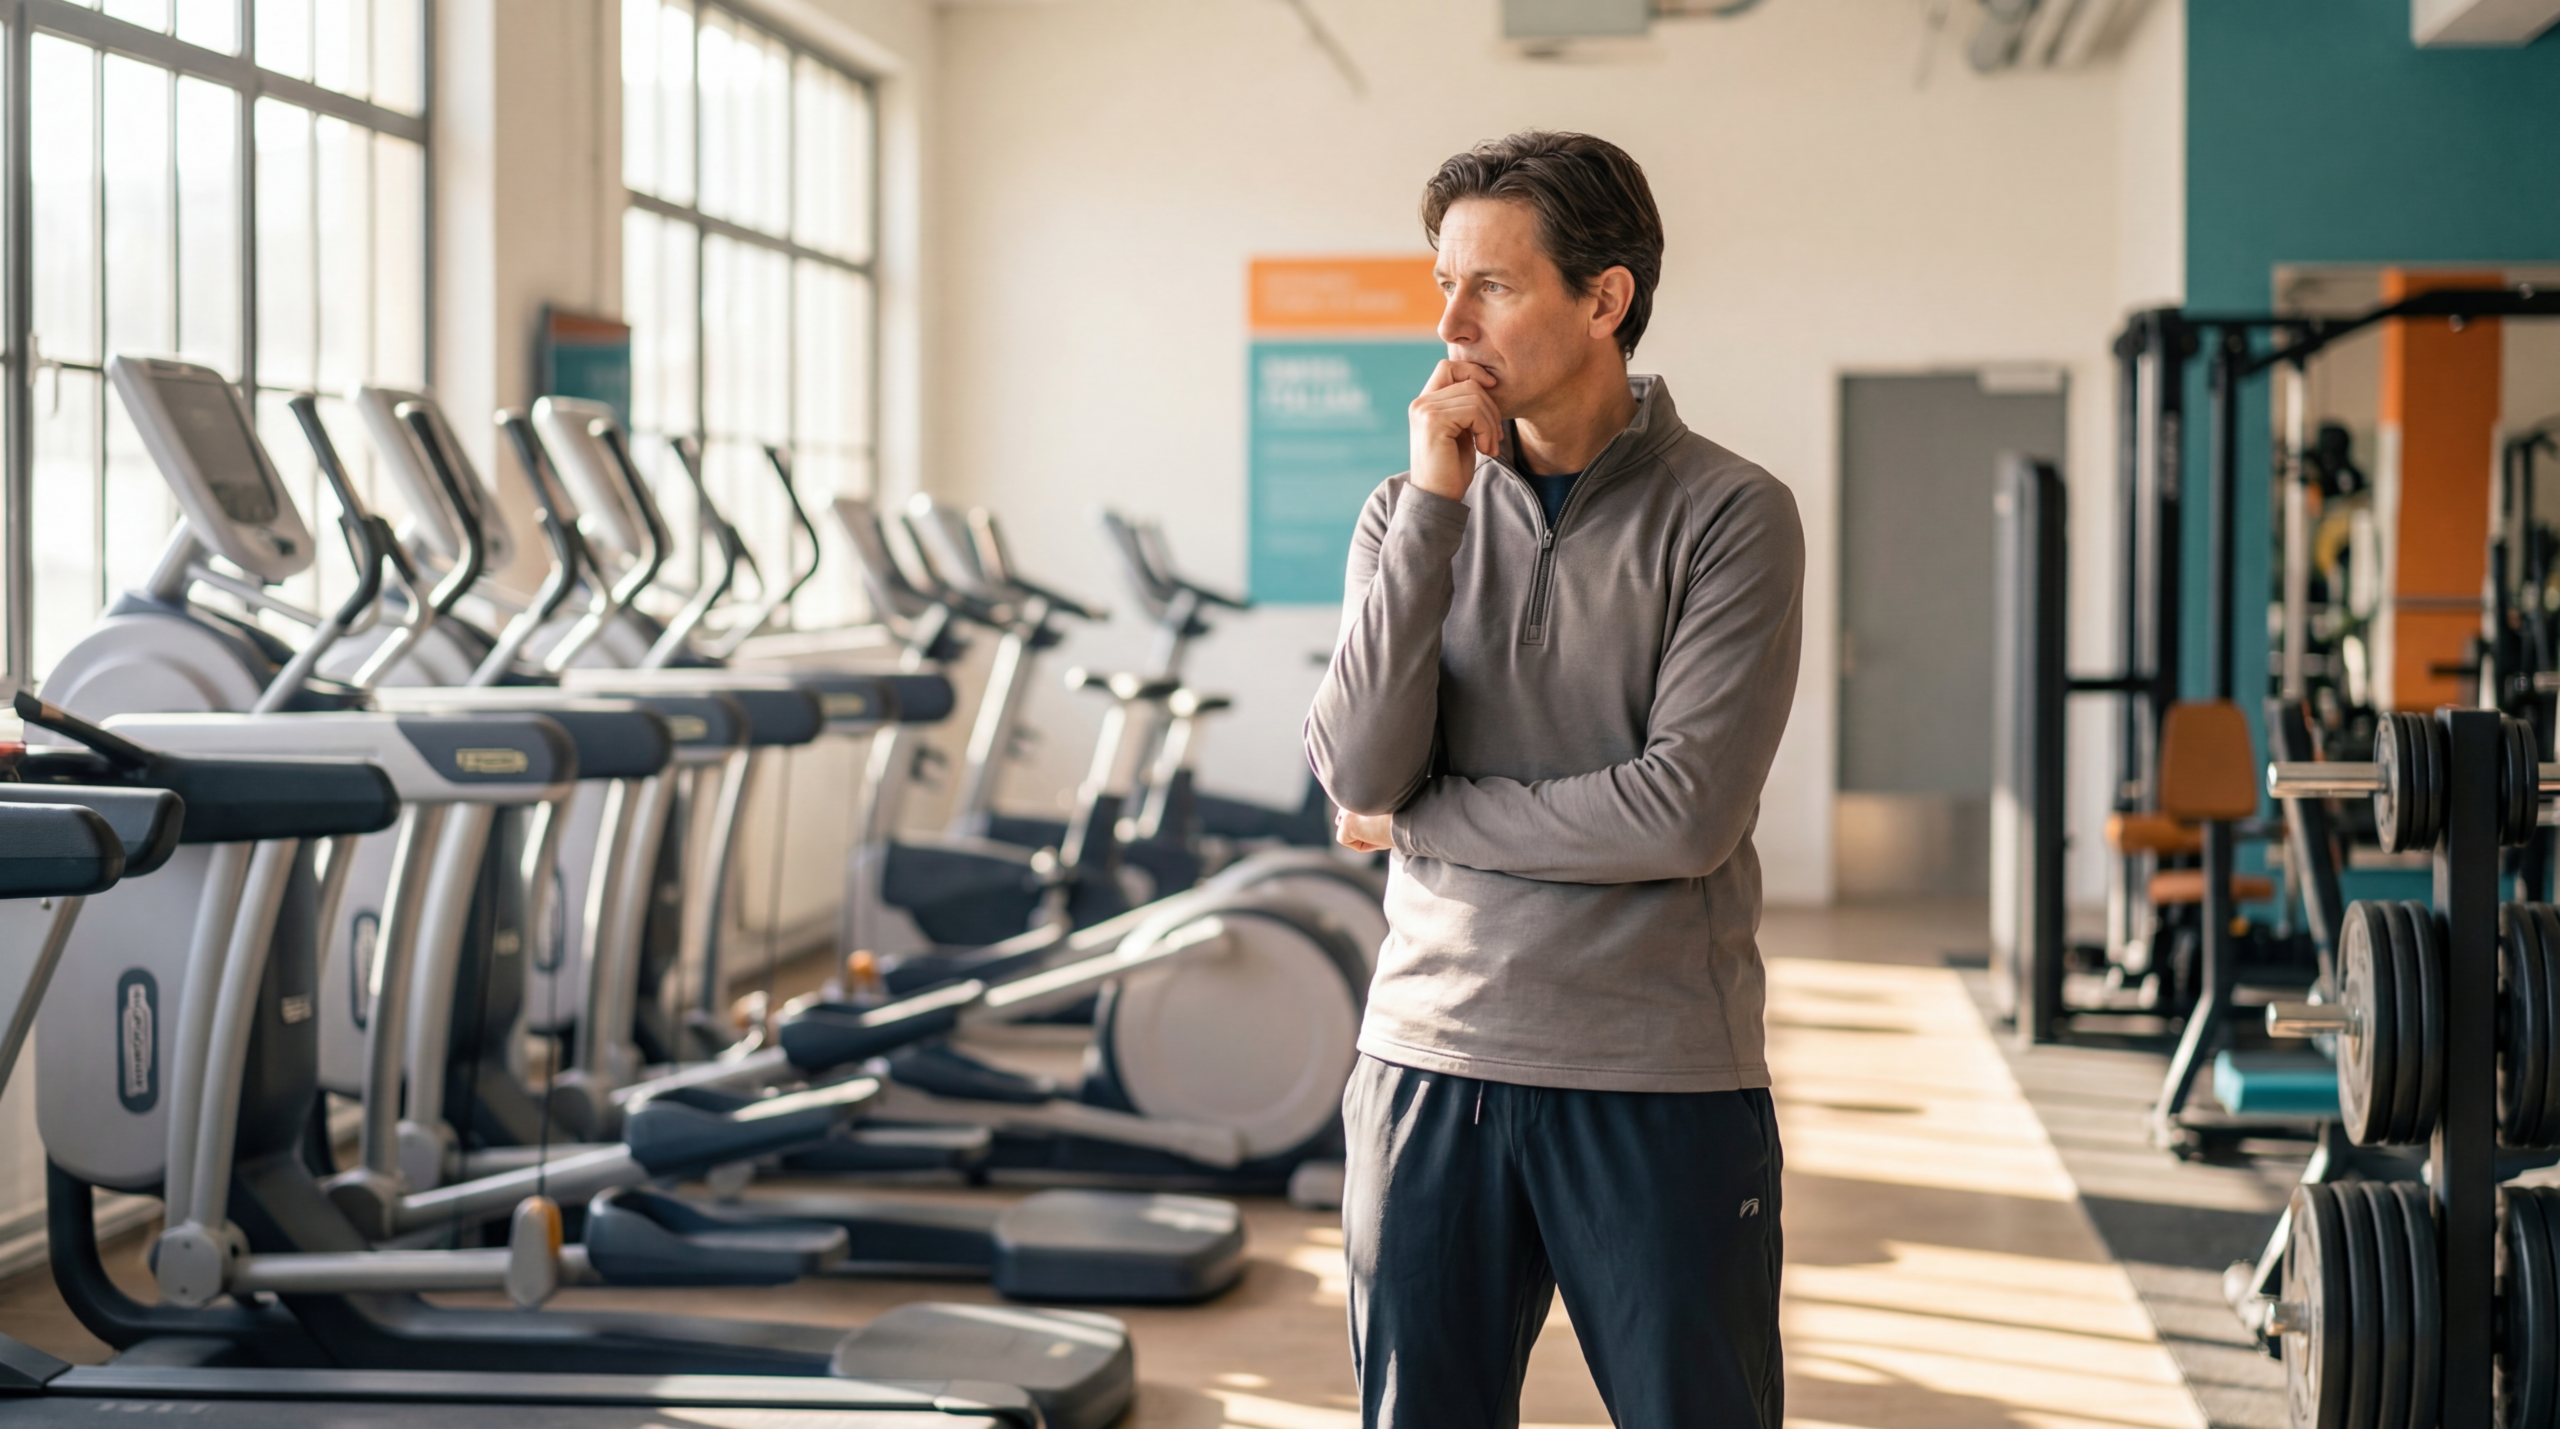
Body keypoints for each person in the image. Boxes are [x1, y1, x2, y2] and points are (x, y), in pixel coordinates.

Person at [1303, 130, 1805, 1428]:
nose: (1451, 322)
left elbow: (1682, 813)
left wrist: (1426, 820)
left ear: (1605, 298)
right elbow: (1356, 766)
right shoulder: (1402, 513)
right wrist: (1433, 505)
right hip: (1424, 1060)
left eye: (1494, 286)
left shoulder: (1732, 514)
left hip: (1657, 1076)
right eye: (1442, 283)